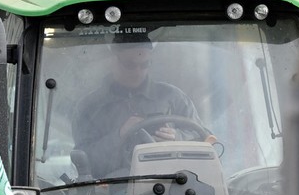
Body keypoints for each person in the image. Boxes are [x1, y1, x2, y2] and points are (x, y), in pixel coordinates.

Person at [71, 30, 208, 177]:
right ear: (113, 61)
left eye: (144, 65)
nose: (138, 72)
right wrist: (121, 134)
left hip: (174, 184)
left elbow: (206, 139)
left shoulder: (173, 97)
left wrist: (177, 138)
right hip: (113, 189)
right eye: (130, 65)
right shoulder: (90, 107)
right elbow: (83, 162)